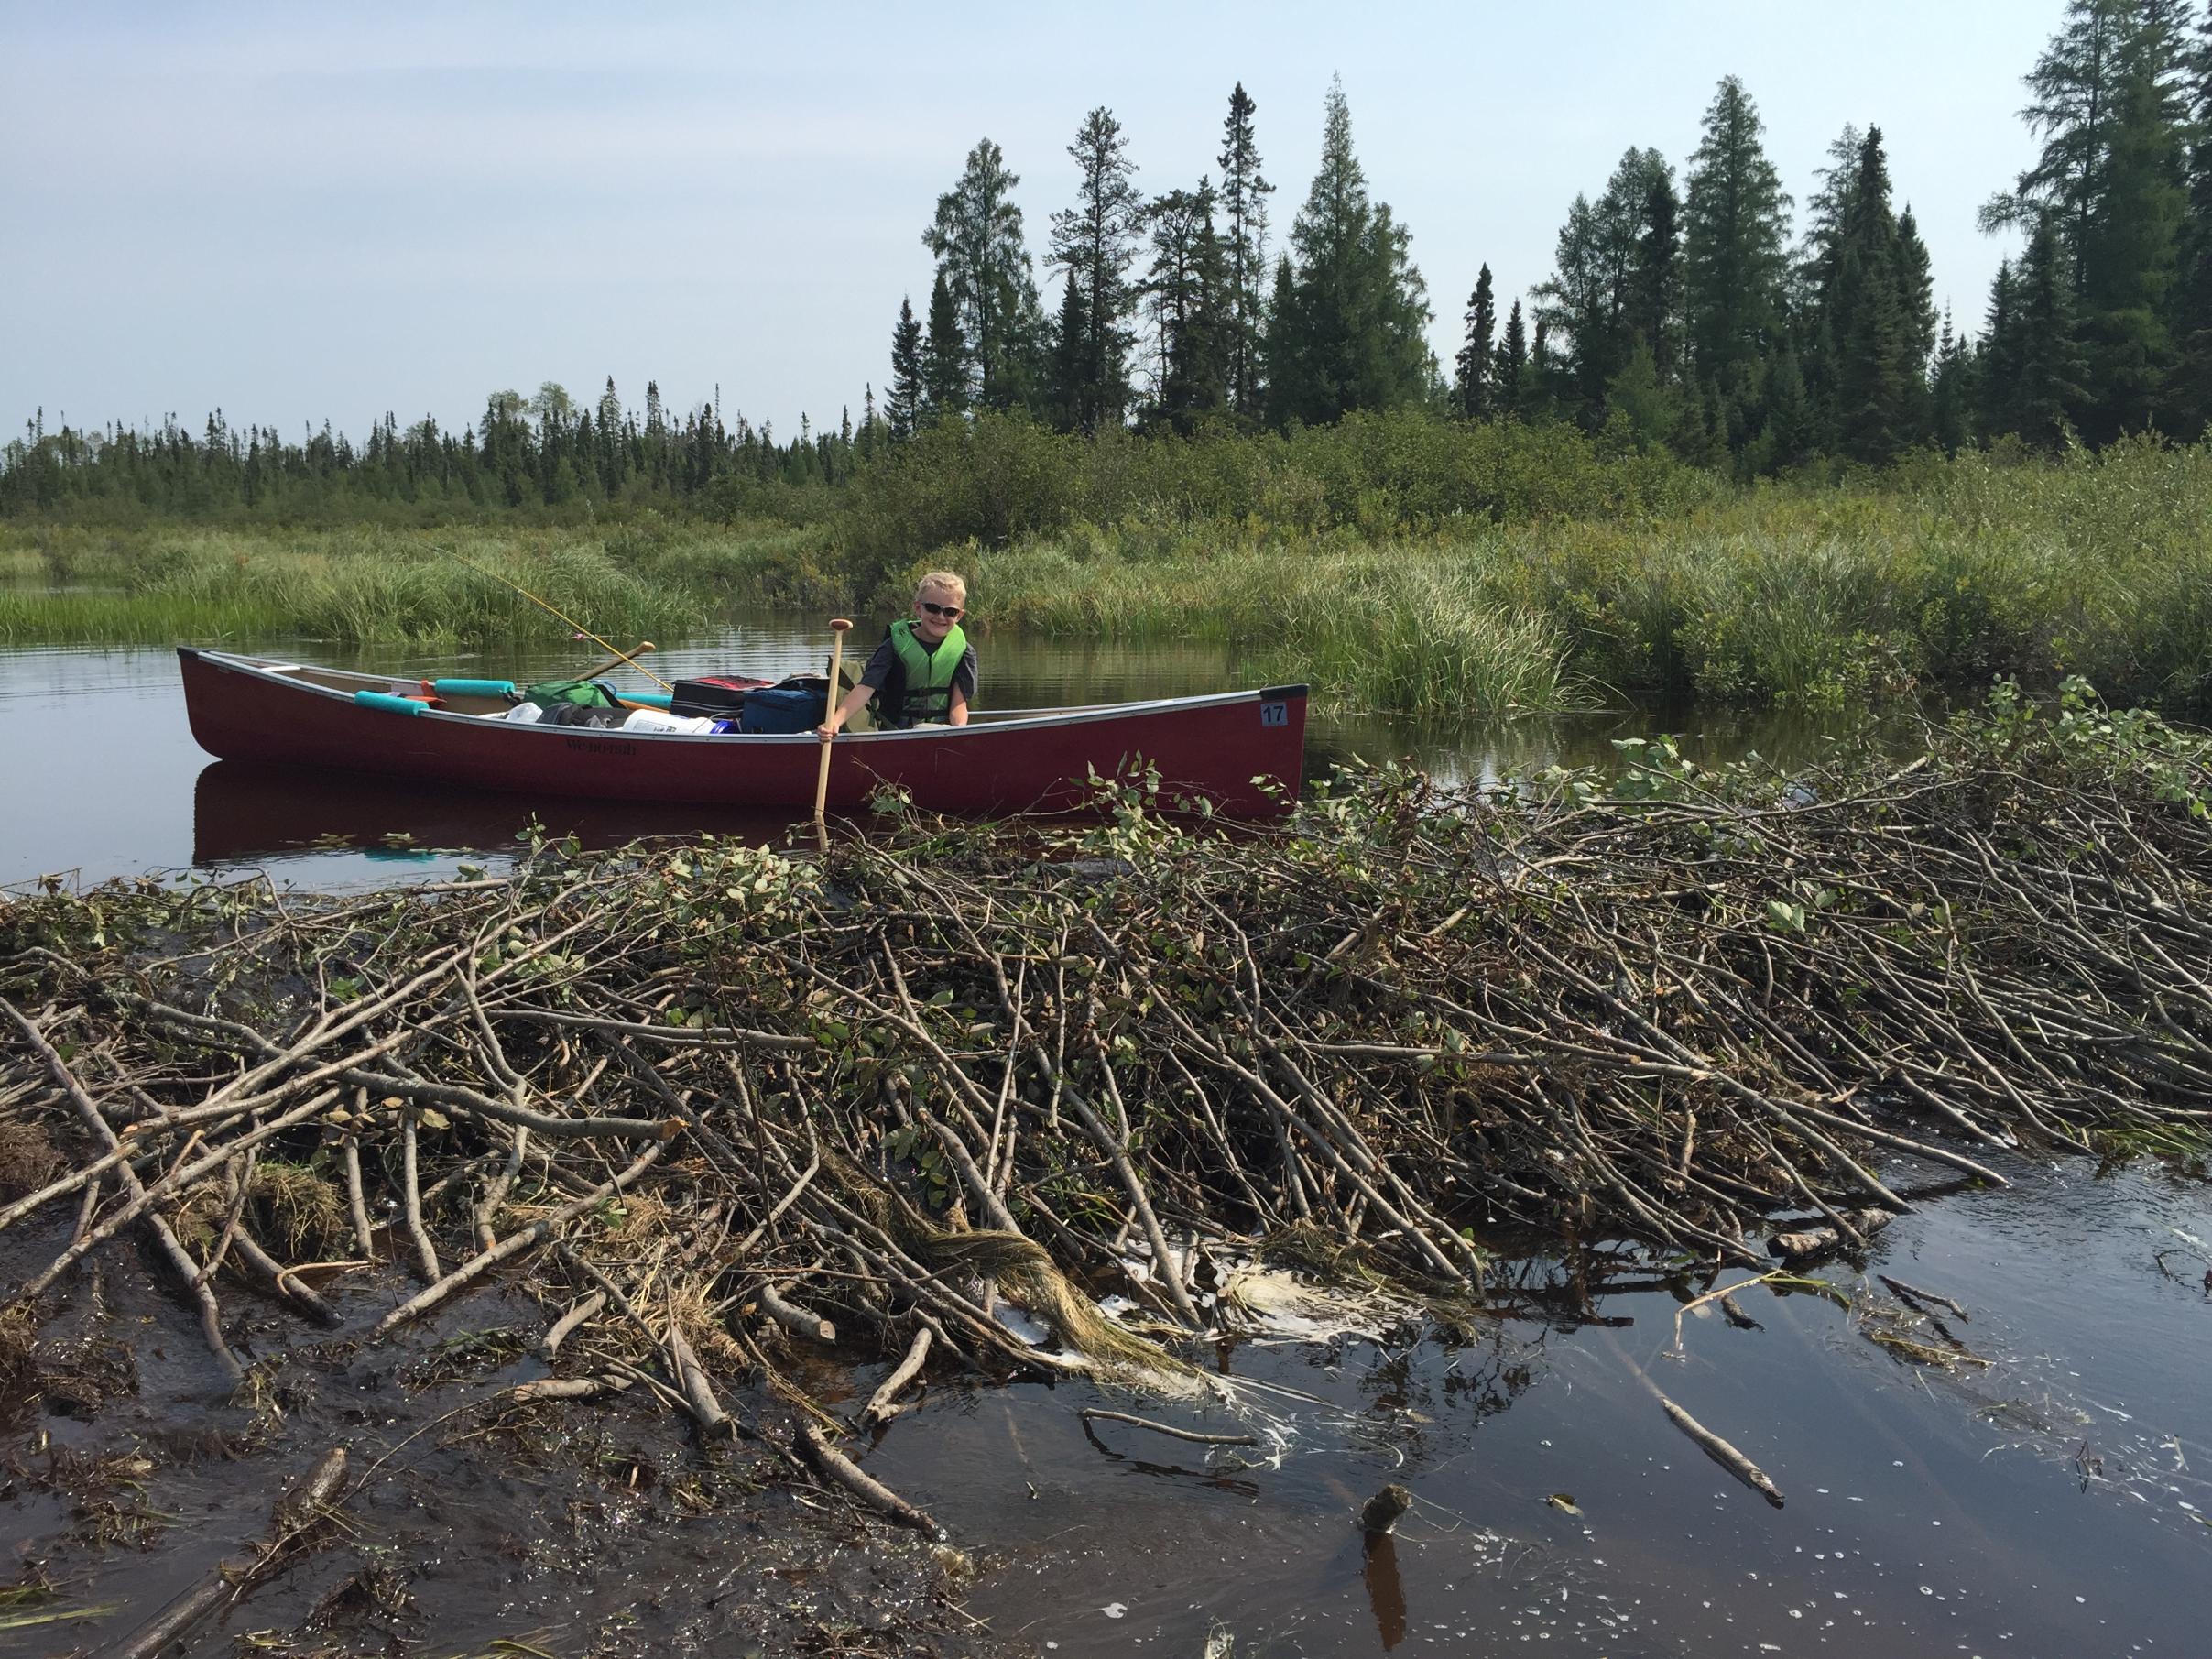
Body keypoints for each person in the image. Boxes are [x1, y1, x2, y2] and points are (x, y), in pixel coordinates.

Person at [817, 571, 976, 735]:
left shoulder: (964, 651)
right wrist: (834, 722)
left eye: (950, 612)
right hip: (896, 731)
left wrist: (959, 734)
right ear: (918, 608)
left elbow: (959, 704)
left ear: (959, 616)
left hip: (942, 732)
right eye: (932, 608)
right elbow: (865, 688)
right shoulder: (893, 645)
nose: (940, 617)